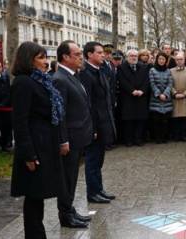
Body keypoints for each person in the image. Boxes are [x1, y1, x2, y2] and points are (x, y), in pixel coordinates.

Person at [10, 41, 65, 239]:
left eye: (46, 57)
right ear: (28, 60)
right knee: (34, 196)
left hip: (45, 145)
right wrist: (28, 154)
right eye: (41, 58)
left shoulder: (41, 80)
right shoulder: (23, 82)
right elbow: (20, 121)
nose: (46, 62)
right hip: (34, 147)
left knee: (38, 196)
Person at [53, 40, 93, 228]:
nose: (81, 58)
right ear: (65, 57)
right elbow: (60, 115)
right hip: (69, 138)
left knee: (72, 177)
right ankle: (65, 214)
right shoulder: (60, 79)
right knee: (67, 178)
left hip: (79, 136)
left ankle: (69, 209)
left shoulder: (73, 76)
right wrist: (63, 140)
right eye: (77, 54)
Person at [79, 42, 116, 204]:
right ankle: (92, 192)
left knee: (99, 159)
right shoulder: (85, 73)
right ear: (89, 55)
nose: (103, 55)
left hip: (104, 122)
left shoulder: (100, 70)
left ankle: (99, 189)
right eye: (99, 53)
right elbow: (88, 104)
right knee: (92, 160)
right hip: (94, 125)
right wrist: (92, 127)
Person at [117, 49, 150, 146]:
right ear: (127, 57)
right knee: (128, 120)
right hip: (128, 97)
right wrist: (132, 91)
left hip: (141, 97)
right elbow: (122, 81)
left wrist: (142, 91)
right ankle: (128, 140)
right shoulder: (121, 68)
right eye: (131, 56)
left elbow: (147, 81)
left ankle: (138, 139)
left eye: (135, 56)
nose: (133, 57)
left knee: (140, 119)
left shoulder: (144, 67)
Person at [149, 52, 173, 144]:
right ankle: (157, 138)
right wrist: (159, 94)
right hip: (156, 99)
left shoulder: (168, 71)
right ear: (157, 60)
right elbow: (152, 83)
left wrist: (166, 94)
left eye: (163, 59)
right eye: (160, 59)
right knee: (156, 120)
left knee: (165, 120)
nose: (161, 61)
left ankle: (164, 137)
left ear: (166, 61)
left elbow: (170, 83)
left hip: (166, 99)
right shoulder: (152, 70)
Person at [171, 52, 186, 141]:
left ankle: (184, 135)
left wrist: (185, 94)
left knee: (185, 117)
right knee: (176, 117)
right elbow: (170, 84)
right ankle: (176, 135)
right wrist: (174, 93)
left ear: (184, 60)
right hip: (175, 97)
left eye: (181, 59)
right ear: (175, 61)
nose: (179, 61)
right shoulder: (171, 71)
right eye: (177, 59)